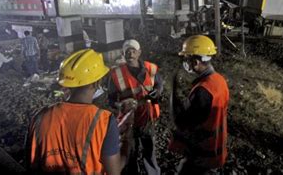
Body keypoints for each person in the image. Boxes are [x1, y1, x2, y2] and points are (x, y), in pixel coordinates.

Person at [26, 49, 123, 174]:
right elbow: (114, 172)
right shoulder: (104, 121)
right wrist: (127, 146)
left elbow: (30, 164)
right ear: (97, 82)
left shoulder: (39, 117)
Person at [170, 35, 230, 174]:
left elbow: (181, 122)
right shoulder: (219, 80)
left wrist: (174, 90)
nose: (185, 62)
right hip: (215, 148)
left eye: (186, 59)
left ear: (196, 61)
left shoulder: (203, 91)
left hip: (202, 153)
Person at [108, 39, 162, 175]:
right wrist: (121, 105)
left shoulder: (151, 68)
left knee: (149, 150)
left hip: (147, 118)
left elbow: (159, 85)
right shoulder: (116, 74)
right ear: (123, 54)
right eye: (127, 51)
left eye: (133, 51)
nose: (130, 54)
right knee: (130, 152)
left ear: (139, 53)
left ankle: (153, 173)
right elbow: (111, 99)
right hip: (129, 121)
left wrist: (158, 91)